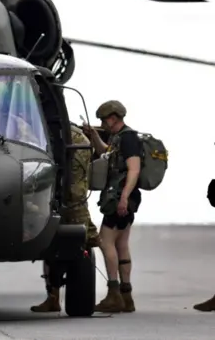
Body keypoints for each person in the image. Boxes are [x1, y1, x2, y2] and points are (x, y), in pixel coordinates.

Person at [30, 123, 100, 313]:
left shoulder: (68, 137)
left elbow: (75, 193)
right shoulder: (70, 134)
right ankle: (53, 297)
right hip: (66, 204)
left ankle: (53, 297)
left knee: (66, 241)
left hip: (67, 207)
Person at [83, 100, 140, 313]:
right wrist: (94, 136)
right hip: (121, 196)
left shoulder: (129, 139)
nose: (103, 124)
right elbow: (107, 153)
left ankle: (114, 293)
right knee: (121, 244)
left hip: (120, 197)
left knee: (106, 241)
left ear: (113, 118)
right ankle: (127, 297)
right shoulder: (119, 139)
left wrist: (124, 197)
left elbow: (133, 169)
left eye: (104, 120)